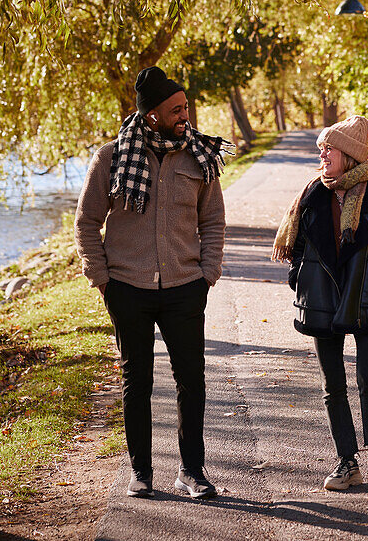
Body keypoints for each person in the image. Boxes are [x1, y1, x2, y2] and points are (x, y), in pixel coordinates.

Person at [75, 66, 228, 499]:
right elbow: (86, 223)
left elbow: (213, 219)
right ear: (152, 115)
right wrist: (102, 279)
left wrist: (207, 273)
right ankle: (141, 473)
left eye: (186, 106)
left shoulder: (198, 156)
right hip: (127, 288)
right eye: (175, 109)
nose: (185, 114)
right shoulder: (112, 157)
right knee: (136, 382)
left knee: (191, 380)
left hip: (185, 287)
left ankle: (192, 472)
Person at [272, 116, 368, 491]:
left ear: (348, 155)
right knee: (333, 385)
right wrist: (298, 278)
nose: (322, 154)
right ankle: (346, 461)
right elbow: (297, 247)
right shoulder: (311, 195)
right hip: (320, 301)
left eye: (329, 148)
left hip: (366, 303)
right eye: (322, 148)